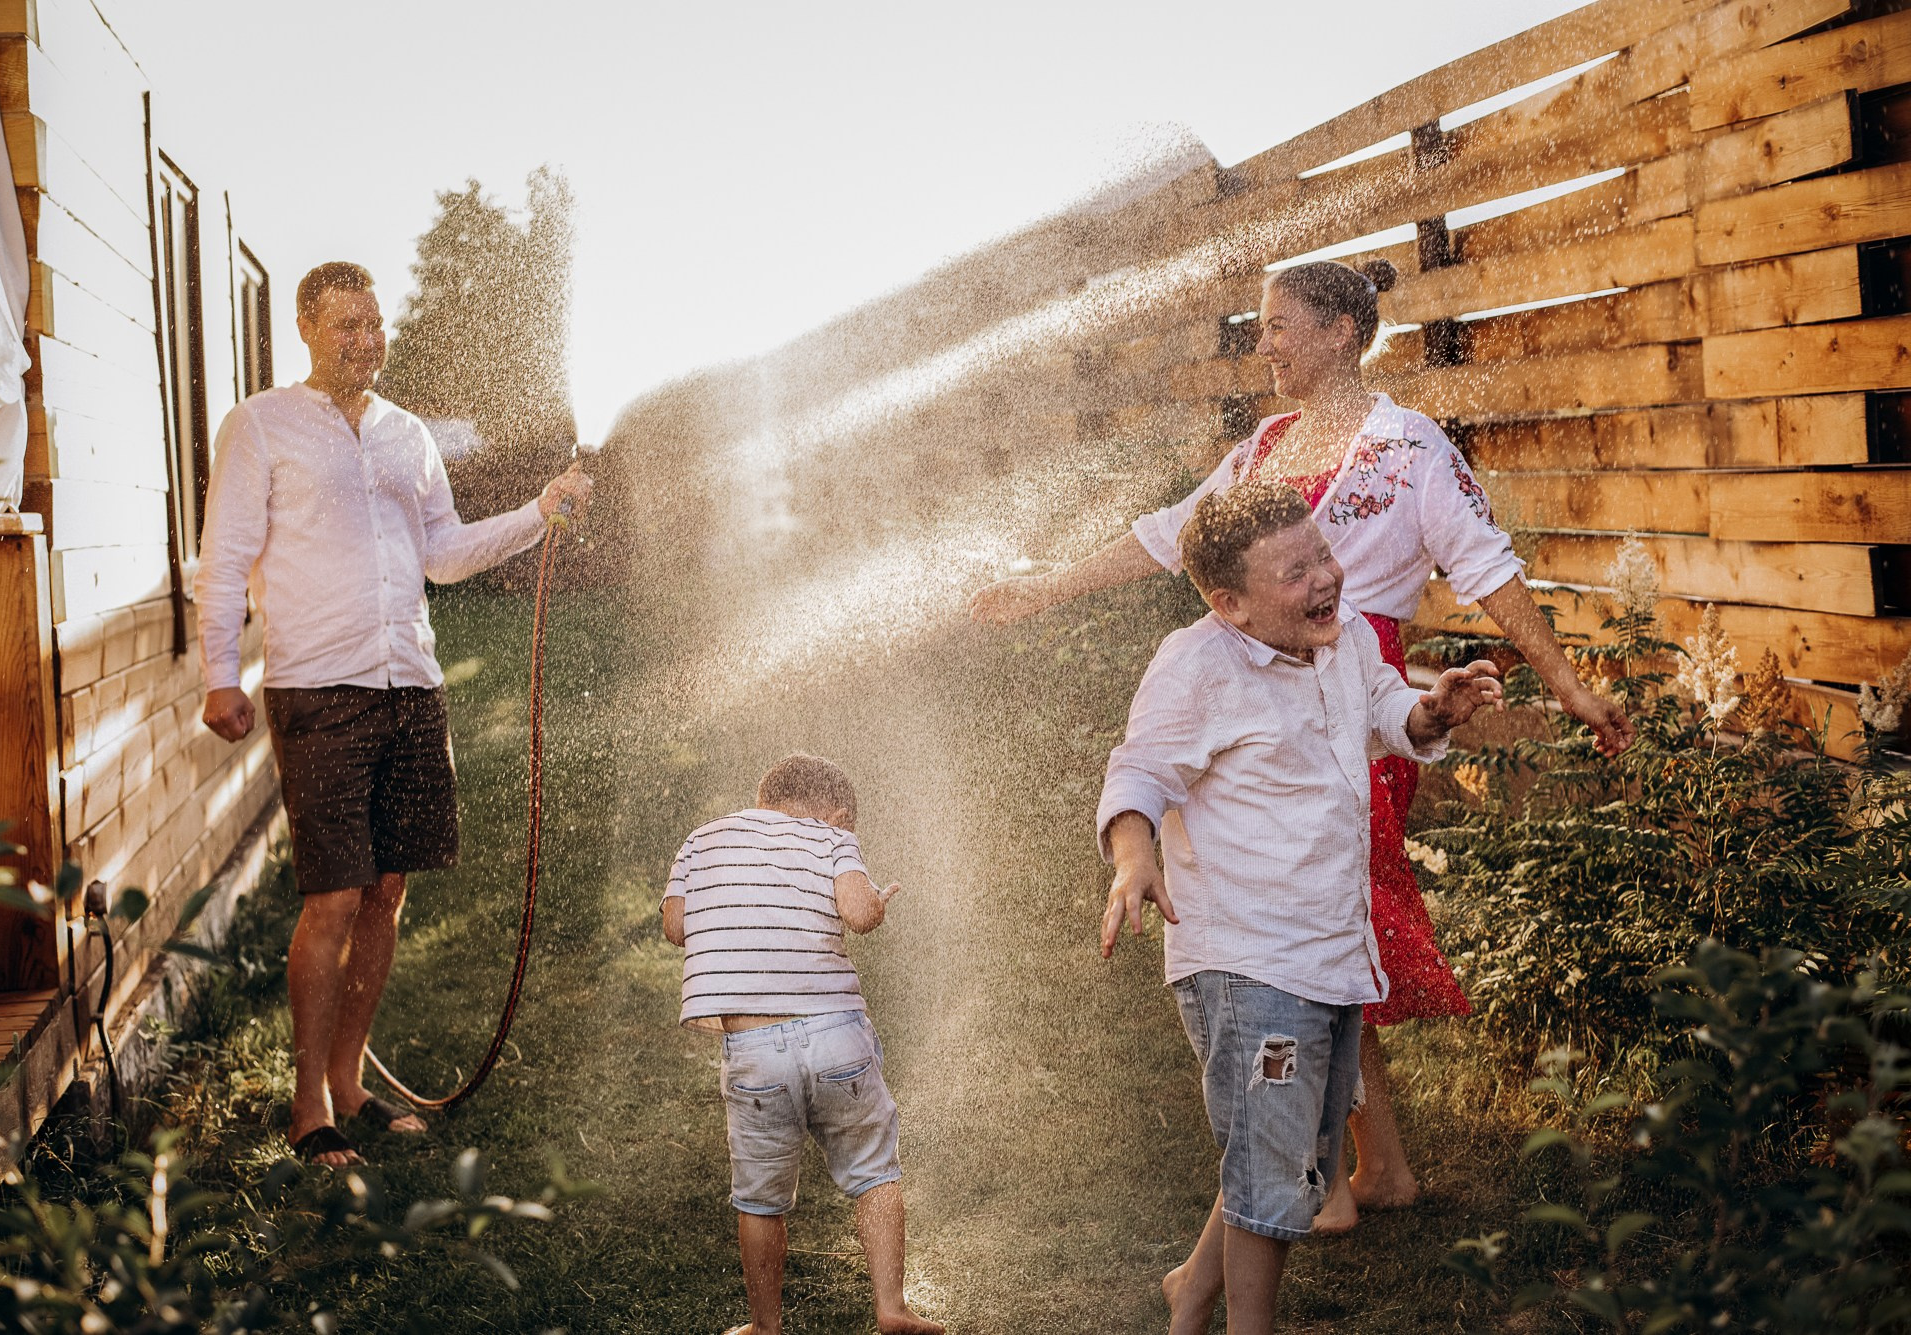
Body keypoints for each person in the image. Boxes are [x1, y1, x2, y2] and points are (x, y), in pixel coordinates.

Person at [971, 256, 1633, 1231]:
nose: (1264, 343)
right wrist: (1041, 589)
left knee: (1313, 916)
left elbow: (1487, 567)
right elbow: (1168, 536)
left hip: (1352, 698)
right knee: (1312, 917)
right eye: (1260, 327)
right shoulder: (1267, 445)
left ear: (1339, 332)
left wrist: (1566, 681)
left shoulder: (1407, 448)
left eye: (1279, 325)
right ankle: (1380, 1168)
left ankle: (1312, 1171)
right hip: (1258, 706)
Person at [196, 261, 594, 1167]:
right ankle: (306, 1110)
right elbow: (224, 561)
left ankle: (348, 1082)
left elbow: (444, 554)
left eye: (374, 324)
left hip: (411, 685)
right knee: (333, 894)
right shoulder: (261, 426)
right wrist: (222, 674)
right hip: (319, 686)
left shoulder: (408, 435)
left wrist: (539, 512)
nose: (365, 339)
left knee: (386, 890)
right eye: (346, 324)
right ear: (305, 326)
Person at [1098, 480, 1503, 1334]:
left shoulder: (1346, 635)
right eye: (1294, 572)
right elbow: (1137, 775)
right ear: (1230, 603)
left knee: (1298, 1151)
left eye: (1323, 553)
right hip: (1245, 959)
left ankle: (1191, 1293)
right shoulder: (1196, 666)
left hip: (1329, 948)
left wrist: (1431, 712)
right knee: (1277, 1156)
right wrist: (1132, 858)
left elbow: (1386, 710)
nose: (1325, 578)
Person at [662, 754, 944, 1335]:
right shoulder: (831, 836)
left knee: (760, 1197)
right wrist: (876, 902)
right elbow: (858, 912)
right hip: (836, 1037)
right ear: (838, 814)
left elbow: (675, 924)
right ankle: (892, 1309)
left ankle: (766, 1327)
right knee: (874, 1172)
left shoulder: (703, 839)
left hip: (754, 1050)